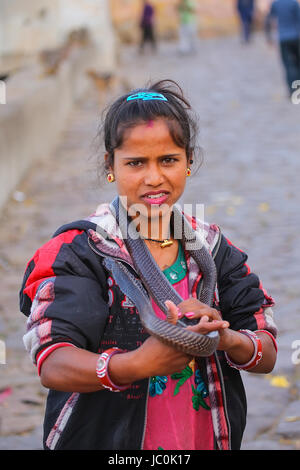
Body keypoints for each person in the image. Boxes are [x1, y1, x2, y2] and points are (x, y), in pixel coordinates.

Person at [20, 79, 278, 451]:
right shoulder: (82, 250)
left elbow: (265, 351)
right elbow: (53, 362)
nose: (154, 177)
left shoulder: (215, 249)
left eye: (168, 160)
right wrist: (136, 364)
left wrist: (224, 338)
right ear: (111, 166)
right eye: (136, 163)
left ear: (189, 162)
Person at [265, 0, 300, 96]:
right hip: (296, 37)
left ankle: (293, 91)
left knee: (288, 65)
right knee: (297, 63)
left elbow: (268, 19)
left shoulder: (276, 4)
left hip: (283, 38)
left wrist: (268, 37)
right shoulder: (293, 3)